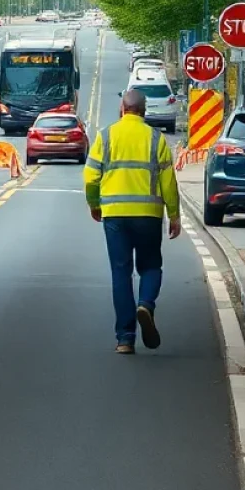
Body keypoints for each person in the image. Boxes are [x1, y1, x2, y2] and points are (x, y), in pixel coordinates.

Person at [84, 88, 181, 354]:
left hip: (115, 215)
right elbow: (168, 182)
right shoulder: (155, 139)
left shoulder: (106, 136)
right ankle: (146, 304)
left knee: (120, 272)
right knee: (151, 266)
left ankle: (125, 338)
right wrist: (174, 214)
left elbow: (90, 177)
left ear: (122, 109)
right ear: (144, 111)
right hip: (148, 216)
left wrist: (94, 204)